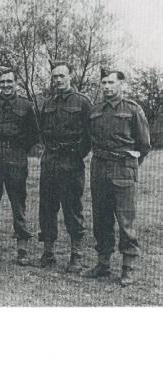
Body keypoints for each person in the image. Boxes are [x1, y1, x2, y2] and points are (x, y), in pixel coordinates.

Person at [87, 68, 151, 287]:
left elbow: (144, 145)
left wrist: (129, 165)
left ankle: (128, 267)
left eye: (111, 82)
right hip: (99, 169)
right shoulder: (95, 110)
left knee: (125, 221)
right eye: (103, 83)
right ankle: (103, 263)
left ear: (121, 84)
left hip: (123, 170)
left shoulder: (133, 110)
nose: (106, 87)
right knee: (101, 218)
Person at [0, 66, 39, 264]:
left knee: (18, 202)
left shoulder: (26, 106)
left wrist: (19, 148)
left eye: (9, 81)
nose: (5, 85)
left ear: (16, 82)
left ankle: (22, 249)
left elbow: (34, 134)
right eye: (2, 82)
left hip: (16, 157)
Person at [38, 60, 92, 272]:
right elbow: (42, 130)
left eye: (62, 76)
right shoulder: (48, 103)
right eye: (54, 77)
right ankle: (48, 252)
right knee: (47, 208)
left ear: (71, 76)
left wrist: (77, 154)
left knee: (72, 208)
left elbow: (89, 134)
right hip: (50, 161)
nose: (58, 80)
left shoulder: (82, 102)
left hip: (71, 162)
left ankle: (76, 255)